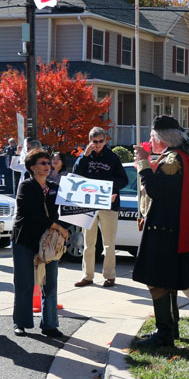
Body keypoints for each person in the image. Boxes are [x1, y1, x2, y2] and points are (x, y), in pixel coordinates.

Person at [132, 115, 189, 347]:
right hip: (169, 228)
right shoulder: (176, 157)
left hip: (165, 231)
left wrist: (144, 163)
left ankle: (164, 334)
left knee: (158, 282)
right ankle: (169, 330)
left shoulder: (172, 160)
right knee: (167, 282)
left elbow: (156, 190)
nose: (149, 139)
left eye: (151, 136)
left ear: (162, 138)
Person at [11, 148, 70, 337]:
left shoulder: (54, 187)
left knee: (50, 284)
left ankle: (50, 324)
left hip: (49, 243)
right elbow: (33, 214)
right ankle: (21, 322)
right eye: (43, 163)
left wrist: (101, 201)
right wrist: (58, 227)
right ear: (32, 167)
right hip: (25, 240)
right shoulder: (26, 186)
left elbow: (69, 207)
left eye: (48, 162)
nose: (48, 166)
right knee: (25, 283)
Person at [72, 127, 128, 288]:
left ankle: (109, 276)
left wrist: (108, 188)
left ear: (105, 140)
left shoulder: (112, 157)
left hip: (108, 204)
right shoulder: (85, 157)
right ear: (90, 141)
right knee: (88, 243)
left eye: (100, 141)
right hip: (89, 204)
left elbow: (123, 179)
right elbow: (76, 175)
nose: (97, 145)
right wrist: (85, 156)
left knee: (109, 243)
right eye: (94, 142)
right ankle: (87, 276)